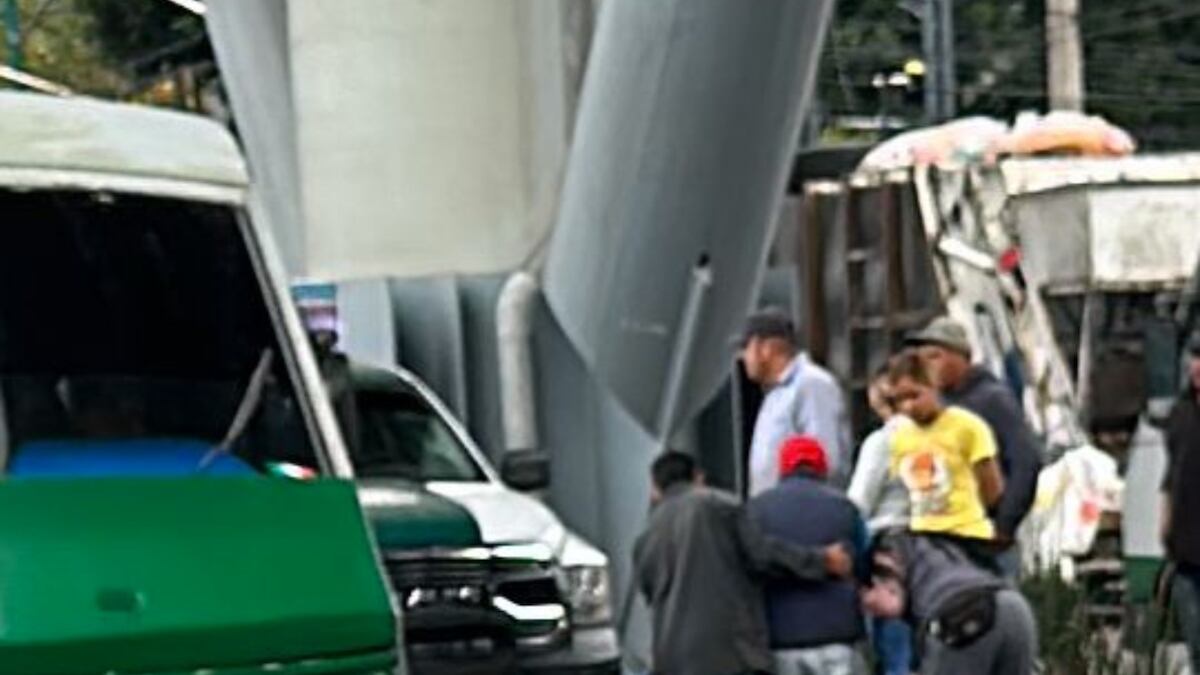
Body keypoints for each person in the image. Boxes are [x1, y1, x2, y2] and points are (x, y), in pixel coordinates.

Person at [633, 451, 852, 675]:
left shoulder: (646, 537)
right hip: (731, 653)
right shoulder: (720, 505)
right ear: (698, 477)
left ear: (655, 488)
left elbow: (651, 595)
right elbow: (762, 554)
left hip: (673, 661)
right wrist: (821, 560)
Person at [906, 317, 1041, 575]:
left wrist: (1004, 525)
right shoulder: (934, 403)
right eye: (922, 359)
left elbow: (1026, 461)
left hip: (984, 536)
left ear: (961, 357)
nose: (927, 366)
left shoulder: (992, 400)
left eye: (935, 356)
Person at [747, 435, 868, 675]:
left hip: (781, 637)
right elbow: (863, 563)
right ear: (822, 467)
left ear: (782, 468)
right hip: (837, 635)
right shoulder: (845, 507)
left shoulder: (756, 509)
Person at [861, 531, 1038, 675]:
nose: (874, 613)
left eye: (870, 605)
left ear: (877, 581)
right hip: (1014, 605)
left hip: (963, 617)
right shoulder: (930, 545)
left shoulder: (884, 555)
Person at [887, 350, 1004, 543]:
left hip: (967, 534)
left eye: (914, 395)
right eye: (900, 400)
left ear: (933, 388)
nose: (908, 406)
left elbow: (991, 489)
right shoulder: (900, 437)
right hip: (924, 538)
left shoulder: (967, 426)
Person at [846, 365, 913, 675]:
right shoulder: (939, 436)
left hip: (889, 548)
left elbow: (858, 504)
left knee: (893, 642)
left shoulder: (883, 442)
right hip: (932, 548)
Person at [741, 307, 850, 495]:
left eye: (746, 348)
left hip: (806, 511)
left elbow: (826, 457)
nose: (743, 358)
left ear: (766, 349)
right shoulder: (776, 392)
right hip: (775, 510)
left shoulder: (811, 384)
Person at [1161, 335, 1200, 672]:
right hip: (1186, 553)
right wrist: (1165, 519)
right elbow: (1171, 475)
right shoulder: (1180, 414)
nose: (1198, 366)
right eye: (1195, 357)